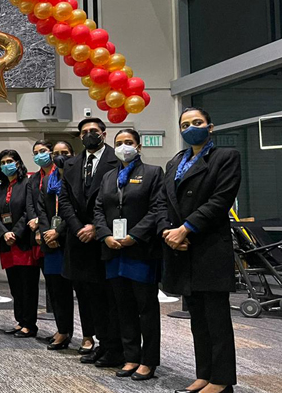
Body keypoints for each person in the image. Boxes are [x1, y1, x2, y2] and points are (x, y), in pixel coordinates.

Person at [161, 108, 241, 393]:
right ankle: (204, 374)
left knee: (216, 319)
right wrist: (167, 231)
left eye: (197, 123)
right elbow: (163, 202)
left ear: (210, 127)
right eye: (185, 124)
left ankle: (221, 381)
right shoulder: (175, 162)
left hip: (208, 247)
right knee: (197, 317)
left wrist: (186, 228)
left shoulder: (225, 157)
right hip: (180, 248)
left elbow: (220, 200)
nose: (191, 127)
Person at [93, 129, 167, 381]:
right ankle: (131, 356)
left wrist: (134, 235)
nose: (124, 146)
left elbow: (158, 208)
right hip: (113, 250)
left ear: (139, 145)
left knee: (145, 308)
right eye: (119, 143)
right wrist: (105, 235)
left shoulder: (153, 173)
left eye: (129, 142)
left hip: (140, 250)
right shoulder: (108, 177)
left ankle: (149, 361)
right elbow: (99, 209)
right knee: (122, 307)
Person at [58, 118, 123, 367]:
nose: (89, 135)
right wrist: (77, 228)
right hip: (78, 240)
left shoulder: (116, 160)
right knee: (89, 298)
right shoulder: (72, 163)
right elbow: (64, 200)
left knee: (110, 298)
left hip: (104, 239)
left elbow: (119, 200)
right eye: (84, 132)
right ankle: (101, 343)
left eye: (93, 131)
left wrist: (96, 228)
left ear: (104, 134)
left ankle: (115, 348)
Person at [35, 141, 82, 351]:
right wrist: (47, 233)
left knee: (80, 291)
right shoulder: (47, 182)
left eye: (65, 152)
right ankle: (63, 330)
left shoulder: (79, 180)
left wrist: (59, 231)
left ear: (73, 155)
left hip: (71, 240)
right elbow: (42, 210)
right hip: (50, 243)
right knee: (57, 292)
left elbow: (77, 211)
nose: (60, 156)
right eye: (56, 153)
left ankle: (88, 336)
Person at [0, 149, 41, 338]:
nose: (6, 165)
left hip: (23, 242)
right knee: (15, 287)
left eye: (10, 161)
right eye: (3, 162)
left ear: (18, 163)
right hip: (7, 244)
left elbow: (29, 211)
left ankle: (30, 324)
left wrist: (16, 232)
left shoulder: (27, 184)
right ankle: (20, 321)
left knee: (28, 286)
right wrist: (4, 234)